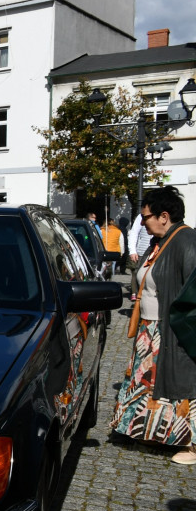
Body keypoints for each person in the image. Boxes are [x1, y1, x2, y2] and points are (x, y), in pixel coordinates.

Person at [110, 187, 196, 465]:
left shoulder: (186, 241)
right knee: (144, 384)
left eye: (146, 217)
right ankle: (142, 430)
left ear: (164, 216)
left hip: (168, 330)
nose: (143, 223)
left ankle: (192, 445)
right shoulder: (160, 242)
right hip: (150, 329)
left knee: (177, 384)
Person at [128, 211, 155, 302]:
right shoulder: (141, 216)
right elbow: (134, 233)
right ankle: (135, 293)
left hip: (156, 252)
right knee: (137, 274)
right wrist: (132, 251)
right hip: (142, 252)